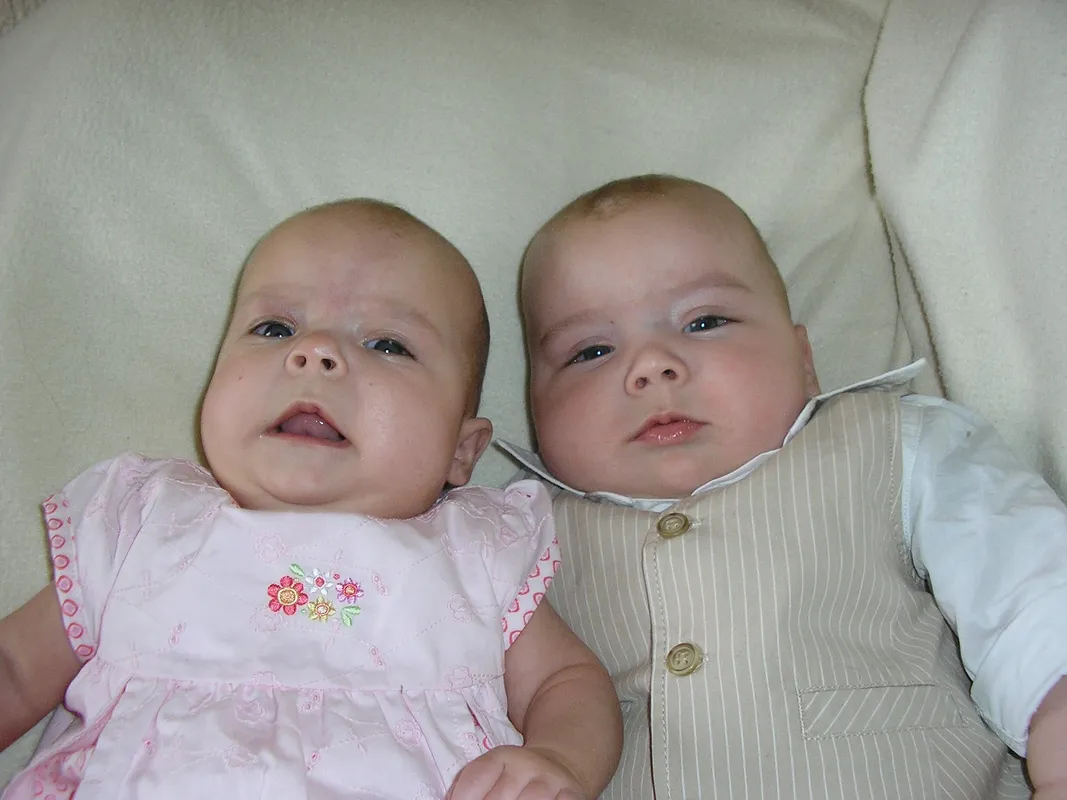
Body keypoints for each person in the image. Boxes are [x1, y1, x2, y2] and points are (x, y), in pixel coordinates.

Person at [0, 199, 622, 799]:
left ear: (462, 451)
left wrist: (558, 759)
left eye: (387, 344)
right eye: (275, 328)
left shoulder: (473, 554)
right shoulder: (144, 521)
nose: (316, 352)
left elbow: (566, 681)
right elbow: (17, 668)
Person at [501, 174, 1067, 799]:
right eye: (590, 352)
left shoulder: (891, 445)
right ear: (534, 406)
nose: (650, 366)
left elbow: (1026, 584)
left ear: (804, 360)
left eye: (704, 321)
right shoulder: (509, 537)